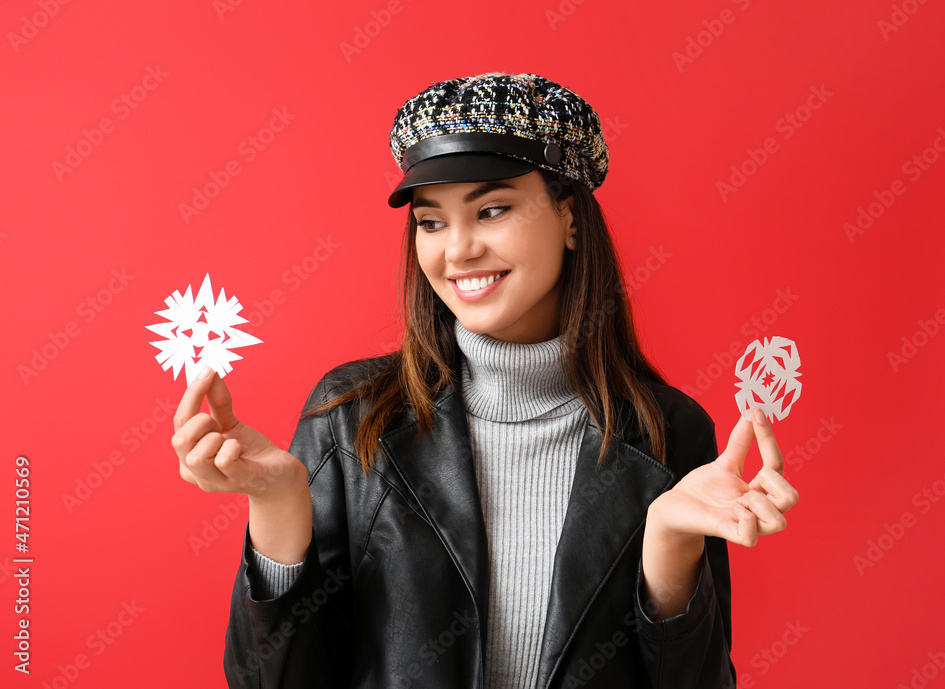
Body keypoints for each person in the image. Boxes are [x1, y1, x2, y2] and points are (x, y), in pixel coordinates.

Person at [171, 72, 800, 688]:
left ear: (571, 218)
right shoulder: (350, 415)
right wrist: (278, 506)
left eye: (492, 209)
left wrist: (668, 550)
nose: (458, 250)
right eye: (431, 221)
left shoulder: (671, 431)